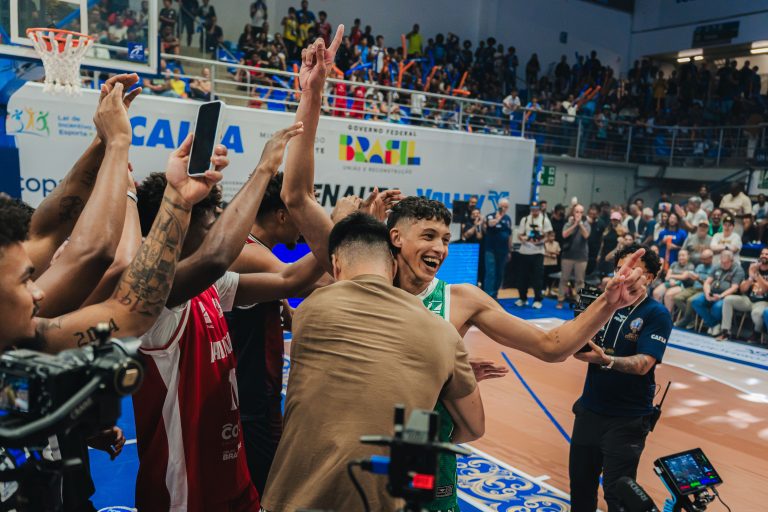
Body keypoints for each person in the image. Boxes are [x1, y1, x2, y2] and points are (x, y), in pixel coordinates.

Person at [275, 33, 650, 512]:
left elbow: (552, 347)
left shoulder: (461, 299)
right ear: (395, 238)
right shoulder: (358, 269)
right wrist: (312, 96)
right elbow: (297, 196)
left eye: (446, 239)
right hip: (343, 440)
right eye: (428, 236)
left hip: (420, 444)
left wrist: (608, 303)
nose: (439, 248)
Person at [132, 123, 311, 511]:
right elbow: (216, 256)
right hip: (185, 492)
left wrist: (347, 231)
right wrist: (264, 168)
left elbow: (291, 279)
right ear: (181, 224)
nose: (217, 224)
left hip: (232, 473)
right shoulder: (157, 296)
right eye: (210, 217)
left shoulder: (211, 287)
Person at [261, 212, 483, 511]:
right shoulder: (443, 332)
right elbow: (474, 427)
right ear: (393, 265)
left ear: (336, 265)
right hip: (385, 500)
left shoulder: (309, 311)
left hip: (294, 498)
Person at [225, 172, 331, 495]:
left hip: (258, 394)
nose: (305, 226)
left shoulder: (258, 252)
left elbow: (291, 318)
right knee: (270, 490)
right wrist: (343, 230)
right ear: (283, 215)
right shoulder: (249, 254)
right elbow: (310, 281)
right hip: (251, 398)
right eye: (303, 214)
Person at [569, 244, 671, 512]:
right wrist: (574, 342)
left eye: (632, 269)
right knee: (580, 487)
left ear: (649, 277)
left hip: (627, 419)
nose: (623, 274)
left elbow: (644, 364)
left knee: (618, 496)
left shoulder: (656, 314)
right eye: (619, 269)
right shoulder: (603, 304)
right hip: (590, 410)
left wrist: (607, 360)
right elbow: (576, 344)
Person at [717, 248, 768, 342]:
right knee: (728, 299)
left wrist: (757, 274)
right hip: (747, 299)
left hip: (762, 302)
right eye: (762, 254)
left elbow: (766, 289)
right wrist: (750, 277)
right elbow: (742, 289)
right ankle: (725, 331)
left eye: (767, 254)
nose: (764, 256)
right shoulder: (752, 267)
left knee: (757, 313)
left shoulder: (757, 271)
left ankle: (756, 333)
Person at [691, 250, 744, 337]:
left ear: (732, 261)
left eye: (726, 263)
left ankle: (713, 326)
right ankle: (714, 324)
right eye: (722, 262)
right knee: (696, 302)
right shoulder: (717, 266)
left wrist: (720, 296)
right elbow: (707, 282)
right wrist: (707, 293)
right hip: (712, 293)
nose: (723, 265)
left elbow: (734, 288)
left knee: (717, 307)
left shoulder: (738, 270)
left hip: (726, 296)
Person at [516, 201, 552, 308]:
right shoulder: (525, 219)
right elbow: (519, 234)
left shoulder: (545, 220)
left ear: (539, 209)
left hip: (538, 252)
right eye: (532, 209)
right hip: (525, 251)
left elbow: (549, 235)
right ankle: (522, 298)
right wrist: (524, 239)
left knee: (537, 277)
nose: (534, 211)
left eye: (536, 209)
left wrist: (541, 240)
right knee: (522, 277)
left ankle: (537, 300)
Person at [558, 203, 591, 309]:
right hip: (567, 256)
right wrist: (574, 224)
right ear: (573, 212)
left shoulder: (586, 224)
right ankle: (560, 300)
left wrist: (580, 224)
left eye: (581, 212)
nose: (579, 214)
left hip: (581, 257)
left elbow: (586, 235)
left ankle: (578, 302)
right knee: (564, 279)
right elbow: (564, 234)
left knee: (580, 281)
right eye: (577, 211)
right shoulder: (568, 223)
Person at [673, 249, 715, 329]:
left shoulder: (714, 268)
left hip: (703, 290)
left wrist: (698, 279)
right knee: (677, 298)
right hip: (694, 287)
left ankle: (685, 320)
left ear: (711, 258)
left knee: (690, 301)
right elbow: (694, 279)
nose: (702, 261)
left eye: (705, 259)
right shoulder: (699, 266)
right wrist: (690, 276)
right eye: (702, 258)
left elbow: (710, 285)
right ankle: (691, 318)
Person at [483, 198, 513, 299]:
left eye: (506, 207)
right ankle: (488, 296)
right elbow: (490, 224)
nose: (503, 208)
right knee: (491, 273)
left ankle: (495, 295)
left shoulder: (508, 219)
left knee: (500, 273)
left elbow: (509, 235)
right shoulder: (491, 216)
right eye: (502, 206)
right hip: (490, 250)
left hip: (503, 250)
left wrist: (510, 250)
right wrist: (498, 217)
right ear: (498, 206)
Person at [544, 230, 561, 296]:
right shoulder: (545, 243)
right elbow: (543, 252)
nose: (552, 238)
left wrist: (551, 253)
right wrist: (551, 254)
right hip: (546, 263)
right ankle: (545, 289)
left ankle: (551, 289)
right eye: (551, 236)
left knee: (552, 277)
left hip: (553, 263)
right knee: (545, 277)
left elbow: (558, 252)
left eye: (553, 236)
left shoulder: (556, 243)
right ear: (548, 237)